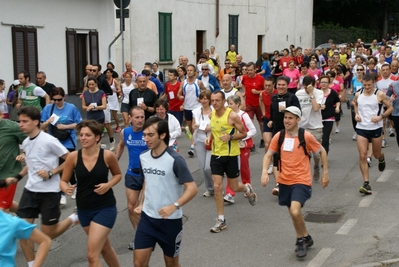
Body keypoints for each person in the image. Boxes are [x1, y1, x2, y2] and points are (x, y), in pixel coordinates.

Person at [4, 106, 78, 267]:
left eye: (25, 121)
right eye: (20, 121)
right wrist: (17, 177)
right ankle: (32, 264)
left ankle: (73, 217)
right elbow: (30, 163)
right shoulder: (25, 142)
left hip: (49, 192)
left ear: (36, 122)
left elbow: (70, 158)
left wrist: (52, 172)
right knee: (23, 230)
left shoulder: (49, 140)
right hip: (30, 190)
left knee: (48, 233)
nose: (21, 125)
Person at [261, 106, 329, 258]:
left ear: (298, 120)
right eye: (285, 117)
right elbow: (268, 155)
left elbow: (322, 151)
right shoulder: (279, 136)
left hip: (302, 180)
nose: (287, 120)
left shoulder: (306, 136)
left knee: (295, 211)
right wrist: (264, 172)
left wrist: (325, 173)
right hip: (284, 181)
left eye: (290, 118)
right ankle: (306, 236)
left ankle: (300, 241)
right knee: (293, 214)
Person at [133, 117, 198, 267]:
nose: (146, 139)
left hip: (170, 222)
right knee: (139, 264)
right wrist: (142, 203)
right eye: (144, 135)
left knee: (171, 264)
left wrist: (173, 206)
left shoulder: (175, 159)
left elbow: (192, 188)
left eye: (150, 135)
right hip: (147, 219)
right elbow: (147, 182)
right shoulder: (143, 157)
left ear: (162, 135)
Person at [60, 120, 121, 267]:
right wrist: (65, 188)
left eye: (88, 135)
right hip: (84, 210)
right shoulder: (73, 157)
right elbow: (63, 180)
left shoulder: (107, 156)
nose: (83, 138)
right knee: (105, 248)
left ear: (97, 137)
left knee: (92, 256)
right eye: (81, 135)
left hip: (105, 208)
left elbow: (118, 175)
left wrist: (108, 185)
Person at [205, 91, 257, 233]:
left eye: (217, 100)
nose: (214, 103)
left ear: (224, 102)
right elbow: (214, 130)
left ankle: (247, 189)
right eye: (212, 100)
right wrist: (210, 137)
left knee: (234, 187)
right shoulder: (211, 115)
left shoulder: (232, 115)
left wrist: (231, 137)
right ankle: (221, 219)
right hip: (216, 155)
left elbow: (244, 133)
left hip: (231, 155)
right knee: (217, 187)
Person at [352, 74, 393, 195]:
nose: (367, 87)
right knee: (363, 155)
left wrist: (381, 117)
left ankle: (381, 157)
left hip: (375, 127)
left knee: (376, 154)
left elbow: (390, 108)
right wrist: (356, 114)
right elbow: (354, 103)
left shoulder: (379, 94)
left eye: (369, 85)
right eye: (365, 85)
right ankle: (366, 183)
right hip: (362, 128)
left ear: (373, 83)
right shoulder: (358, 93)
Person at [41, 87, 82, 205]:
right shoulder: (48, 108)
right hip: (53, 141)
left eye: (59, 99)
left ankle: (65, 192)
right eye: (54, 99)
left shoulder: (71, 108)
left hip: (68, 141)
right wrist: (48, 122)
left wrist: (66, 127)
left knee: (66, 164)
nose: (57, 102)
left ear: (64, 97)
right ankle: (68, 189)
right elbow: (41, 126)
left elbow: (79, 124)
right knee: (62, 165)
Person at [115, 107, 148, 251]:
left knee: (146, 208)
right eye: (137, 117)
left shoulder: (149, 132)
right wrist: (115, 159)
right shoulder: (125, 132)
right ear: (130, 118)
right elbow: (121, 145)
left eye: (142, 117)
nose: (140, 120)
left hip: (149, 175)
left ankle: (151, 232)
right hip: (132, 173)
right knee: (131, 207)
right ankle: (138, 235)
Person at [268, 76, 301, 196]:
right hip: (277, 129)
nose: (281, 87)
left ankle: (292, 181)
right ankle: (278, 184)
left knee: (288, 156)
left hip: (289, 131)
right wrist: (271, 120)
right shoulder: (274, 97)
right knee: (276, 156)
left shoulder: (292, 98)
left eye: (283, 85)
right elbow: (272, 112)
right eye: (279, 85)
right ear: (275, 86)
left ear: (287, 85)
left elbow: (298, 113)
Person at [223, 94, 256, 204]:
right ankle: (230, 193)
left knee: (243, 168)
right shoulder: (227, 116)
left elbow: (253, 130)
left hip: (243, 146)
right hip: (231, 147)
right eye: (228, 104)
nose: (229, 106)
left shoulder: (244, 115)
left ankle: (247, 186)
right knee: (231, 170)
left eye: (231, 104)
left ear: (237, 104)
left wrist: (242, 137)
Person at [295, 76, 324, 181]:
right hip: (301, 127)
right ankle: (304, 174)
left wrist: (311, 94)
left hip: (315, 127)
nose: (307, 89)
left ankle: (316, 166)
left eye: (309, 87)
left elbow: (316, 108)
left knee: (316, 154)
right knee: (302, 153)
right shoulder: (298, 94)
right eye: (305, 87)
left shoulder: (319, 93)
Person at [0, 110, 26, 213]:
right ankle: (25, 214)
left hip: (9, 173)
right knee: (6, 203)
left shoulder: (13, 127)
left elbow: (31, 140)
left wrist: (24, 153)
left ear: (1, 114)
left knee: (2, 211)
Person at [177, 64, 206, 156]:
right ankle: (197, 140)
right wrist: (180, 97)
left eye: (191, 70)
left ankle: (192, 147)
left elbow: (205, 92)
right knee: (190, 128)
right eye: (188, 70)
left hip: (196, 108)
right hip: (187, 107)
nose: (189, 72)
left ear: (194, 72)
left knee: (194, 126)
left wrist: (201, 98)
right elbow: (178, 94)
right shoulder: (183, 82)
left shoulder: (199, 82)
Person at [192, 90, 214, 197]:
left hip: (211, 140)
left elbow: (218, 124)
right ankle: (209, 188)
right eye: (202, 98)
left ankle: (215, 185)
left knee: (208, 167)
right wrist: (195, 127)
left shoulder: (214, 110)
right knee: (202, 167)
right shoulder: (196, 111)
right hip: (200, 140)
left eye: (206, 98)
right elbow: (192, 126)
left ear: (209, 99)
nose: (204, 101)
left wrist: (209, 128)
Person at [241, 62, 265, 149]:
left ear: (255, 69)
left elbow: (265, 90)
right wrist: (244, 92)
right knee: (249, 122)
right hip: (249, 103)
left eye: (251, 70)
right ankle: (252, 143)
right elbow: (243, 84)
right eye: (248, 70)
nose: (249, 72)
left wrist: (257, 92)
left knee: (261, 123)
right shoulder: (245, 77)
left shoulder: (260, 78)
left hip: (259, 103)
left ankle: (263, 139)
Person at [319, 75, 340, 154]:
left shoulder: (333, 92)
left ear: (329, 83)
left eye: (325, 82)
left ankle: (324, 154)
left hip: (329, 117)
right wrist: (319, 107)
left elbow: (337, 101)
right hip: (318, 117)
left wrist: (337, 107)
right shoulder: (317, 92)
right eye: (322, 82)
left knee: (325, 137)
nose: (323, 84)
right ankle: (319, 152)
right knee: (318, 138)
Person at [105, 68, 122, 133]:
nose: (107, 74)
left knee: (114, 115)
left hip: (113, 98)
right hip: (107, 98)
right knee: (106, 114)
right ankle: (106, 127)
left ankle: (118, 126)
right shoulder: (105, 81)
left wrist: (115, 91)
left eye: (109, 72)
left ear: (112, 73)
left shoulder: (114, 81)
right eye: (107, 73)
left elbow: (119, 90)